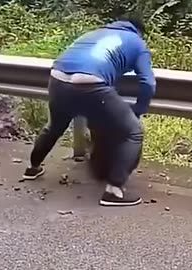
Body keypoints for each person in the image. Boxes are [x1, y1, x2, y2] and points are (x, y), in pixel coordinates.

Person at [22, 15, 156, 207]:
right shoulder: (137, 42)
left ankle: (32, 168)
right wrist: (138, 110)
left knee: (55, 127)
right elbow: (148, 83)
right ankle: (114, 191)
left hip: (58, 79)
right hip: (90, 85)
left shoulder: (94, 33)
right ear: (139, 31)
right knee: (133, 132)